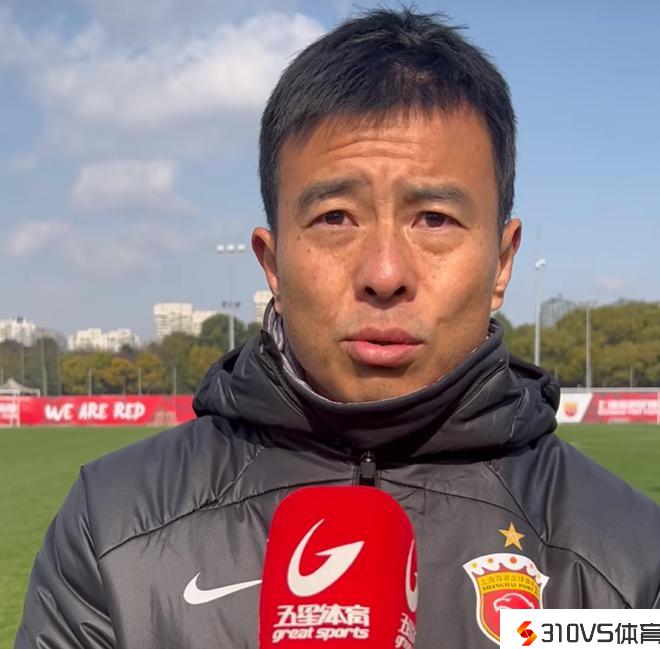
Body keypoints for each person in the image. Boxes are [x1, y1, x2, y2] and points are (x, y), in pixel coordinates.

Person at [16, 8, 660, 649]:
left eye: (434, 219)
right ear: (272, 263)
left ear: (502, 262)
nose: (384, 274)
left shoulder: (630, 561)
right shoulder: (113, 526)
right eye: (335, 218)